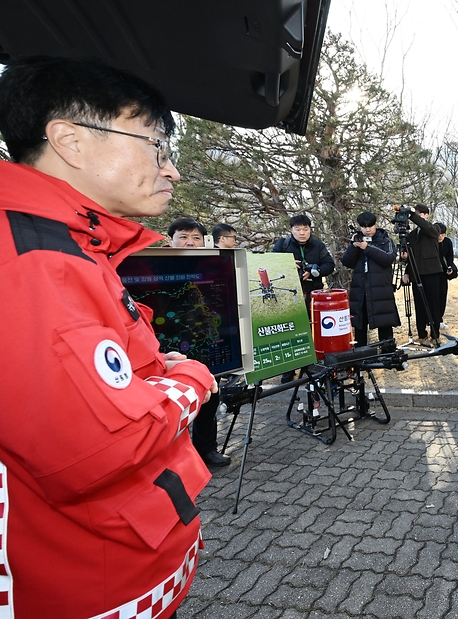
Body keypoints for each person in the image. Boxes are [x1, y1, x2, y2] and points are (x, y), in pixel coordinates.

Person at [0, 55, 217, 619]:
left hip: (131, 559)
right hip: (85, 585)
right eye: (154, 146)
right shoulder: (30, 260)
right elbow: (101, 444)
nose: (172, 171)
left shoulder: (75, 246)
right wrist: (190, 379)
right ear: (70, 140)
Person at [167, 218, 231, 468]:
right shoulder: (148, 266)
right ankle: (172, 458)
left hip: (205, 341)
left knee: (210, 396)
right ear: (169, 239)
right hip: (169, 348)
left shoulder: (212, 266)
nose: (190, 242)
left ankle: (206, 450)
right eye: (183, 237)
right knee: (170, 404)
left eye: (196, 238)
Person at [340, 211, 401, 347]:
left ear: (375, 225)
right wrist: (353, 247)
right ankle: (362, 355)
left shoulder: (385, 240)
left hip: (381, 289)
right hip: (361, 288)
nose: (367, 230)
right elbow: (346, 262)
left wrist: (367, 248)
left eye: (370, 226)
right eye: (364, 226)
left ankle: (388, 353)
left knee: (384, 323)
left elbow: (388, 258)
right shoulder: (357, 239)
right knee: (360, 324)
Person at [401, 203, 444, 346]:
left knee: (433, 305)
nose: (418, 218)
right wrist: (407, 272)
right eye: (416, 214)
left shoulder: (434, 229)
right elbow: (410, 256)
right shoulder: (412, 235)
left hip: (432, 273)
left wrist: (412, 214)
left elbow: (425, 226)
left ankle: (435, 334)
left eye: (421, 214)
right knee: (419, 305)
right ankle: (422, 335)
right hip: (416, 273)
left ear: (427, 215)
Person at [271, 213, 335, 307]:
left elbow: (329, 265)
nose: (302, 233)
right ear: (291, 230)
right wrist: (287, 263)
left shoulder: (318, 246)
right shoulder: (283, 244)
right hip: (287, 290)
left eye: (305, 229)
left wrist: (314, 270)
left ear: (310, 229)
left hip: (314, 291)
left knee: (313, 319)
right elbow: (271, 262)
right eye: (298, 229)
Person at [436, 221, 458, 329]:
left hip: (443, 274)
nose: (441, 236)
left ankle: (439, 320)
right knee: (432, 298)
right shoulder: (431, 242)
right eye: (439, 233)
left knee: (442, 296)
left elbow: (450, 257)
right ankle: (430, 321)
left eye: (443, 234)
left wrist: (450, 267)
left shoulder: (447, 242)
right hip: (431, 273)